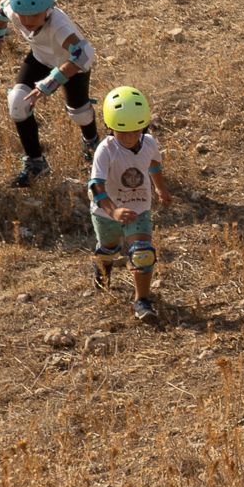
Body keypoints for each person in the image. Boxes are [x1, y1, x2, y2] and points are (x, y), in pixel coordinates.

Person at [0, 0, 100, 187]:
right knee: (17, 104)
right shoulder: (15, 10)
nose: (27, 21)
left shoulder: (59, 25)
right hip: (40, 58)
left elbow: (84, 55)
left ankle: (92, 143)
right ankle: (36, 164)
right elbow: (2, 9)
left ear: (48, 9)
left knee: (80, 114)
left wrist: (52, 81)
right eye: (22, 14)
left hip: (71, 66)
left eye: (34, 15)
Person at [88, 86, 173, 322]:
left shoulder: (149, 143)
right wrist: (113, 211)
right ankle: (103, 263)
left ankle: (142, 301)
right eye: (122, 132)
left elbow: (154, 163)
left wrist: (160, 187)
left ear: (143, 126)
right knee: (109, 248)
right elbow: (96, 186)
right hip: (106, 214)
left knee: (143, 253)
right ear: (110, 128)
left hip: (139, 209)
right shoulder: (105, 150)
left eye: (135, 131)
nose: (128, 138)